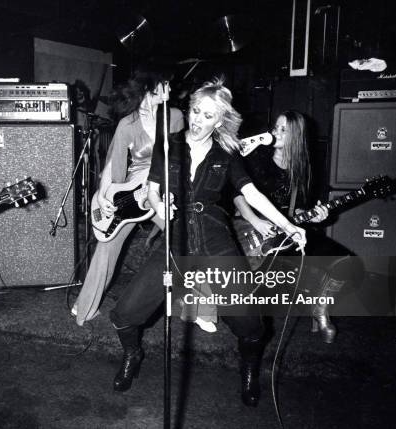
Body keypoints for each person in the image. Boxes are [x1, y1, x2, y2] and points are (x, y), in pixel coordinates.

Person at [108, 77, 307, 407]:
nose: (198, 120)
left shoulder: (226, 153)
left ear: (220, 120)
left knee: (249, 321)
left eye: (208, 115)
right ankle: (133, 353)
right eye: (196, 111)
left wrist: (287, 225)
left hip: (215, 238)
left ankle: (248, 369)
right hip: (176, 241)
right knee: (125, 312)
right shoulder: (167, 144)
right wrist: (159, 206)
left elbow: (251, 193)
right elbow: (153, 191)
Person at [233, 110, 364, 343]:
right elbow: (238, 195)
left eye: (283, 129)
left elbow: (301, 209)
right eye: (276, 127)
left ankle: (319, 306)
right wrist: (256, 221)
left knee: (349, 263)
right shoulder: (257, 157)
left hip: (289, 231)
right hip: (252, 227)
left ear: (297, 137)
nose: (275, 132)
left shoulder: (305, 170)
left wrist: (316, 216)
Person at [72, 66, 184, 326]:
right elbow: (113, 163)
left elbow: (181, 158)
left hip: (163, 188)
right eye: (165, 84)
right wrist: (102, 195)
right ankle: (85, 306)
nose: (170, 88)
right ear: (150, 88)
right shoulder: (128, 124)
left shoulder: (175, 116)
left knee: (185, 237)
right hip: (134, 190)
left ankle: (196, 307)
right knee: (107, 245)